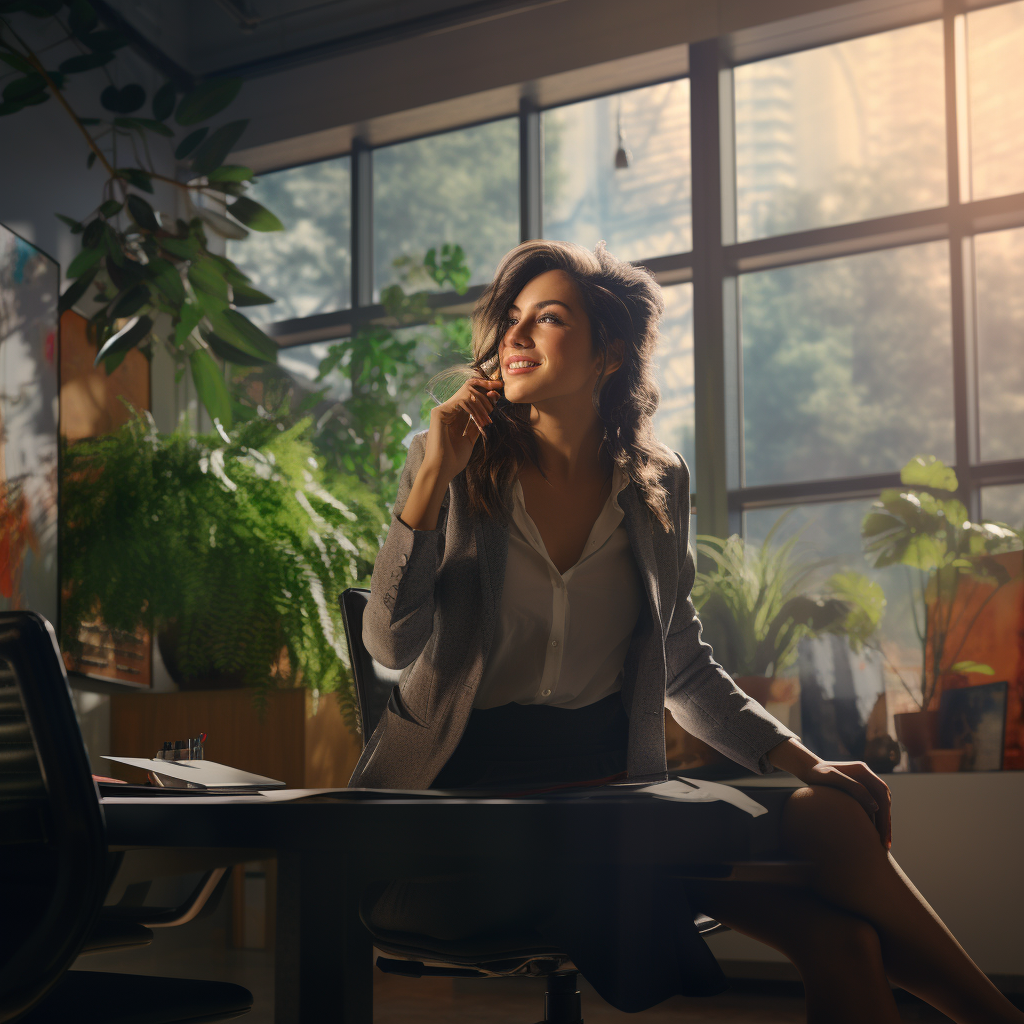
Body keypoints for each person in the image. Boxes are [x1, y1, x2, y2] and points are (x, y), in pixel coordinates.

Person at [350, 239, 1024, 1024]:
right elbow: (390, 647)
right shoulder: (449, 466)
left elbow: (681, 664)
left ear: (609, 353)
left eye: (549, 318)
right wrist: (433, 477)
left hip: (610, 794)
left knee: (832, 826)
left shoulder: (657, 480)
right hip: (468, 807)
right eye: (513, 318)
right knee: (814, 911)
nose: (516, 335)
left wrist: (806, 759)